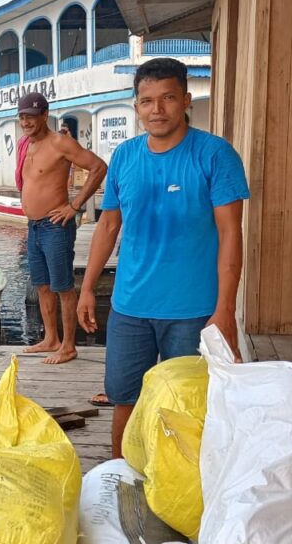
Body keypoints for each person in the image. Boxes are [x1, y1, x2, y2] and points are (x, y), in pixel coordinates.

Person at [77, 57, 249, 458]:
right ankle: (120, 476)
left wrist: (225, 310)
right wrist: (87, 288)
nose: (157, 110)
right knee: (125, 398)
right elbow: (107, 227)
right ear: (135, 106)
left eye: (168, 98)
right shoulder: (125, 156)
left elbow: (230, 233)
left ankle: (180, 492)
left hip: (192, 310)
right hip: (130, 307)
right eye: (147, 101)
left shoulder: (214, 155)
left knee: (185, 406)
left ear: (186, 100)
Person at [16, 93, 108, 364]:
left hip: (56, 226)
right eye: (22, 117)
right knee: (42, 286)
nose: (26, 122)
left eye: (31, 116)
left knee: (63, 287)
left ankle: (68, 346)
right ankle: (51, 338)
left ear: (45, 115)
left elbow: (98, 167)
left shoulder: (60, 143)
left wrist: (75, 205)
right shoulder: (25, 145)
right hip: (33, 227)